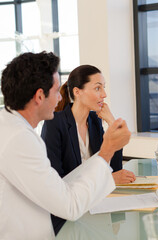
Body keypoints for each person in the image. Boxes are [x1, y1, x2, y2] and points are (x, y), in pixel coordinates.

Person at [0, 51, 131, 239]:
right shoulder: (20, 140)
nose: (61, 98)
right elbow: (69, 206)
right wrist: (106, 151)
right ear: (39, 96)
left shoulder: (12, 127)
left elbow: (61, 186)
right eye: (55, 91)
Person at [41, 65, 135, 234]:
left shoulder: (94, 121)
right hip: (66, 216)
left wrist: (112, 122)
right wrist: (108, 177)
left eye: (103, 88)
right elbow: (57, 183)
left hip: (94, 208)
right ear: (77, 92)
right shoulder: (55, 124)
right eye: (98, 88)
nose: (104, 95)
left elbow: (114, 169)